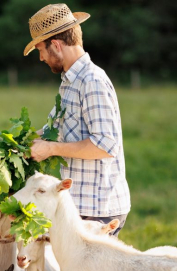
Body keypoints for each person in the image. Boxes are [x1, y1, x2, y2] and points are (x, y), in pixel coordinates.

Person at [25, 4, 131, 236]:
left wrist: (50, 149)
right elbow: (55, 129)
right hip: (80, 205)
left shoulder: (91, 80)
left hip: (98, 209)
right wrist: (20, 142)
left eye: (41, 49)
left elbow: (105, 145)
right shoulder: (70, 81)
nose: (41, 57)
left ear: (56, 44)